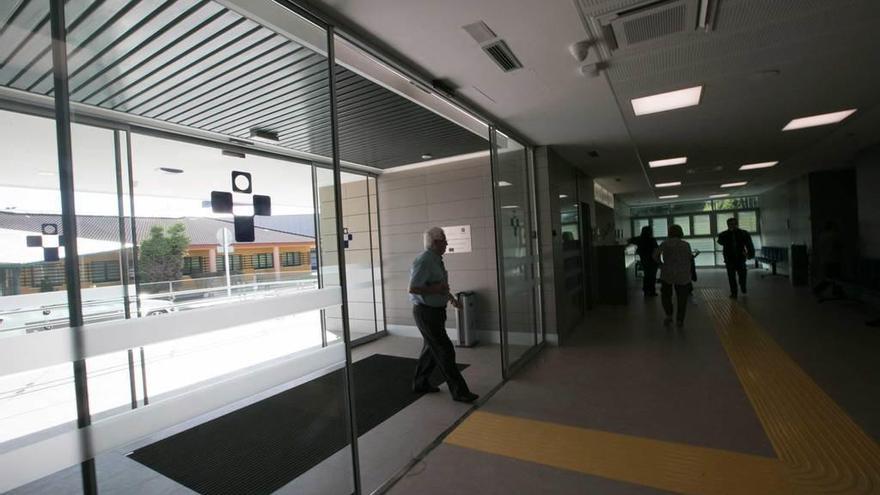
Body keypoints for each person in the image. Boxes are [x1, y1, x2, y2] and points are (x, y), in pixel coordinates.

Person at [409, 227, 479, 403]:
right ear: (435, 243)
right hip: (426, 313)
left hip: (436, 312)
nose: (447, 243)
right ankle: (459, 391)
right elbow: (413, 288)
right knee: (444, 350)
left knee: (431, 350)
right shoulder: (424, 261)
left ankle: (420, 383)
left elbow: (441, 285)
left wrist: (451, 298)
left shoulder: (436, 260)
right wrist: (437, 289)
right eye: (444, 240)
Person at [654, 224, 693, 327]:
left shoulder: (665, 244)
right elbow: (689, 257)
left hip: (667, 273)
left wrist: (660, 264)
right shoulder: (685, 244)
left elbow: (655, 255)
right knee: (682, 298)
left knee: (666, 296)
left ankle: (669, 315)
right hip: (682, 274)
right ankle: (680, 320)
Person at [717, 217, 755, 299]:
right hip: (729, 259)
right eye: (730, 224)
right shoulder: (724, 234)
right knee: (731, 277)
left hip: (740, 258)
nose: (732, 226)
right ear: (728, 225)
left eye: (734, 224)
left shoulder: (743, 233)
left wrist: (750, 254)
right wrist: (727, 234)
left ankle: (743, 286)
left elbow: (749, 245)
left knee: (743, 275)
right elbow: (720, 241)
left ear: (737, 224)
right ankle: (734, 293)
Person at [812, 220, 843, 300]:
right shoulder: (834, 235)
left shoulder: (822, 236)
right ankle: (818, 289)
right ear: (832, 227)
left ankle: (837, 291)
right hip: (833, 259)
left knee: (831, 277)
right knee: (833, 277)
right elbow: (839, 246)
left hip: (824, 259)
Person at [628, 226, 659, 297]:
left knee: (647, 276)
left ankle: (646, 291)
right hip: (652, 260)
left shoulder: (639, 239)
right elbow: (656, 249)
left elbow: (629, 240)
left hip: (644, 260)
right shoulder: (652, 240)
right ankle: (652, 291)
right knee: (652, 276)